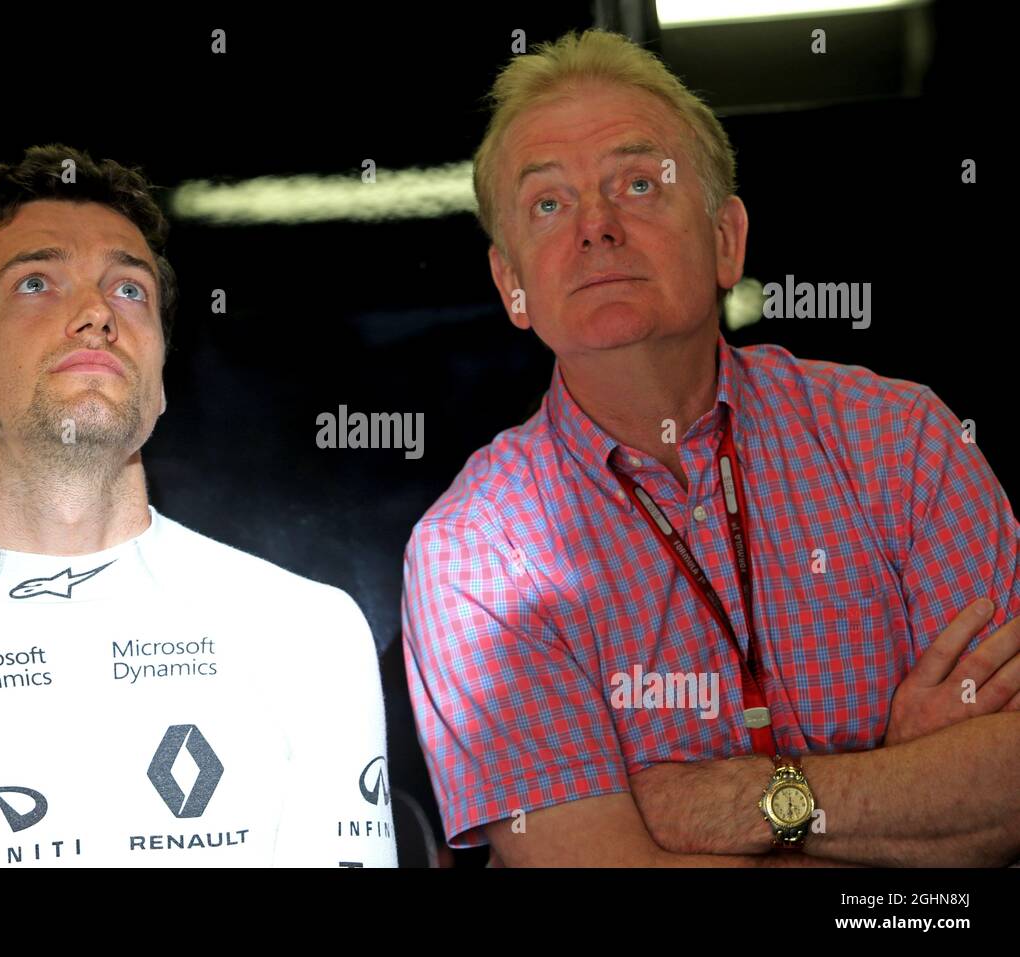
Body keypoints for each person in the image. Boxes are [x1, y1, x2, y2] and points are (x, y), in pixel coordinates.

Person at [402, 29, 1020, 867]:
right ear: (511, 284)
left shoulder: (903, 442)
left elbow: (1009, 788)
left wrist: (734, 801)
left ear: (727, 239)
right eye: (548, 203)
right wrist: (901, 789)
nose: (596, 227)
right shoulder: (474, 556)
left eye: (639, 183)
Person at [0, 145, 397, 868]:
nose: (94, 312)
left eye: (129, 290)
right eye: (35, 282)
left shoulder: (310, 636)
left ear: (158, 380)